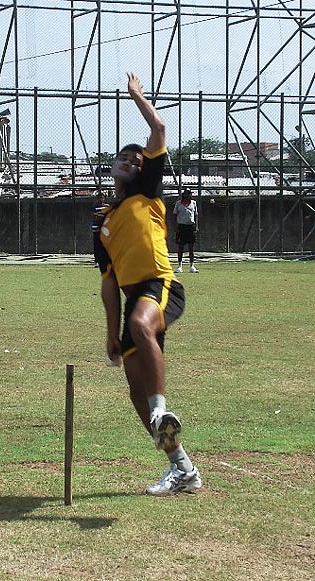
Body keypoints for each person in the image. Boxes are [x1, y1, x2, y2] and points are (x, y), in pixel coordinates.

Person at [94, 72, 201, 496]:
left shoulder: (148, 192)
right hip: (132, 296)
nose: (134, 160)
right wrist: (109, 334)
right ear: (113, 164)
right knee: (136, 392)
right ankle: (183, 468)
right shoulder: (102, 222)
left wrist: (137, 95)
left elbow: (157, 129)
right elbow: (108, 284)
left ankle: (162, 410)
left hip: (162, 286)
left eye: (139, 160)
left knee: (141, 326)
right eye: (126, 156)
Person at [173, 188, 199, 273]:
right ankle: (179, 266)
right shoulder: (178, 204)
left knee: (191, 247)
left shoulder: (194, 203)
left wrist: (196, 226)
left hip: (190, 227)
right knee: (181, 247)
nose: (188, 195)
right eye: (186, 193)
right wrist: (176, 226)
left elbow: (196, 215)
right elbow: (175, 215)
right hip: (181, 227)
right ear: (183, 194)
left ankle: (192, 266)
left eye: (189, 193)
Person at [91, 192, 109, 265]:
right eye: (99, 198)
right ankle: (96, 261)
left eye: (102, 197)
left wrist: (99, 216)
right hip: (96, 228)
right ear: (97, 199)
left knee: (105, 245)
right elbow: (94, 218)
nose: (101, 199)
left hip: (104, 229)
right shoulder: (94, 207)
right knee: (96, 244)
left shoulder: (107, 206)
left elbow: (108, 217)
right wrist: (102, 217)